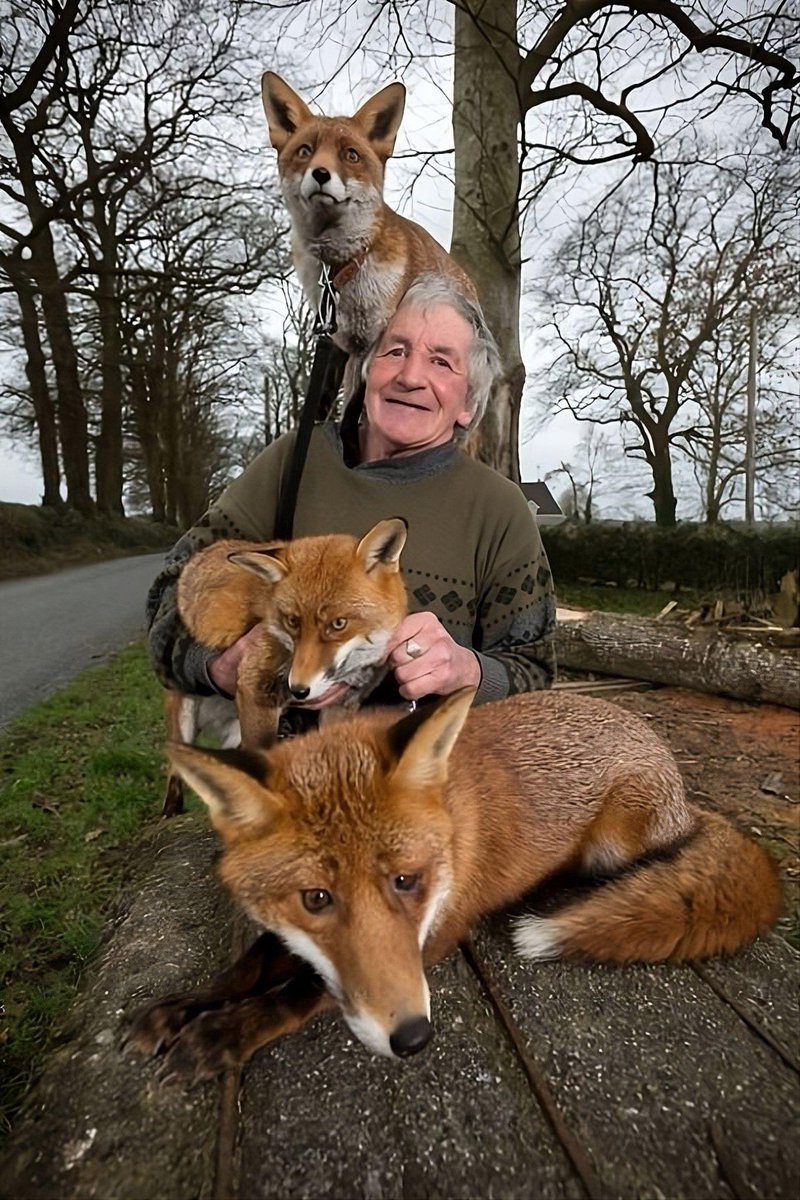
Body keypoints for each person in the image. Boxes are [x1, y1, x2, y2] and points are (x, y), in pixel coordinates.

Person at [147, 273, 556, 712]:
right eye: (395, 351)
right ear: (367, 372)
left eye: (441, 362)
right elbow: (170, 591)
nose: (410, 375)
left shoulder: (498, 509)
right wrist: (216, 666)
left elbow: (535, 671)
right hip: (285, 771)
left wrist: (466, 670)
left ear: (468, 404)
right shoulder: (296, 462)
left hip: (427, 775)